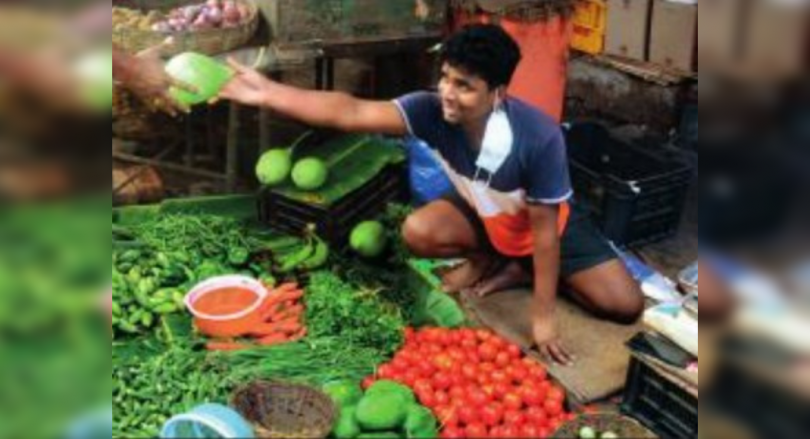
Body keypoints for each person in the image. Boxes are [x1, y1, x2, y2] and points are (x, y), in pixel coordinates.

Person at [219, 24, 644, 365]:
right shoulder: (429, 111)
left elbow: (546, 235)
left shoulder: (538, 138)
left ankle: (519, 267)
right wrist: (269, 92)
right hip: (484, 213)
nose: (447, 92)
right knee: (418, 231)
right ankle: (494, 260)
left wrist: (543, 318)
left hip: (547, 228)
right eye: (445, 77)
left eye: (464, 85)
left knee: (624, 305)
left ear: (498, 93)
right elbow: (350, 111)